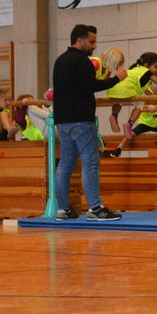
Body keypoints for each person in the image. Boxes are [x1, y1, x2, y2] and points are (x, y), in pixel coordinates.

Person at [53, 24, 127, 221]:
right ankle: (95, 207)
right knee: (90, 162)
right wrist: (117, 79)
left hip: (63, 120)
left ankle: (62, 209)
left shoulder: (59, 61)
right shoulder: (82, 61)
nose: (94, 46)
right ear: (80, 40)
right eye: (91, 42)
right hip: (81, 120)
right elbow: (92, 85)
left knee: (66, 164)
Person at [106, 51, 157, 139]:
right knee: (139, 105)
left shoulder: (135, 71)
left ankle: (114, 115)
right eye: (156, 67)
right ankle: (129, 123)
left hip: (114, 87)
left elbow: (149, 93)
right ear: (146, 65)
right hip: (126, 89)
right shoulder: (146, 72)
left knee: (119, 102)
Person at [104, 82, 157, 157]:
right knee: (131, 133)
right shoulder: (147, 91)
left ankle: (117, 116)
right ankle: (119, 148)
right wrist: (148, 105)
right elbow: (142, 102)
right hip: (145, 122)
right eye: (156, 84)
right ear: (150, 84)